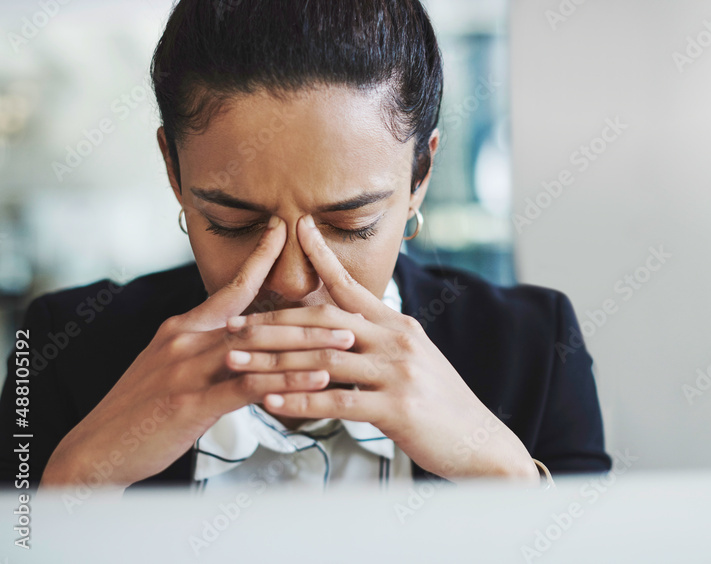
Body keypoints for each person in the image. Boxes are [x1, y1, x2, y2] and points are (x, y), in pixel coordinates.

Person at [0, 0, 611, 494]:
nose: (292, 281)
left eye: (350, 225)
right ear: (174, 171)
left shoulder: (535, 349)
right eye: (235, 222)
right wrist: (69, 487)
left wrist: (508, 479)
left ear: (420, 177)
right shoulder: (58, 349)